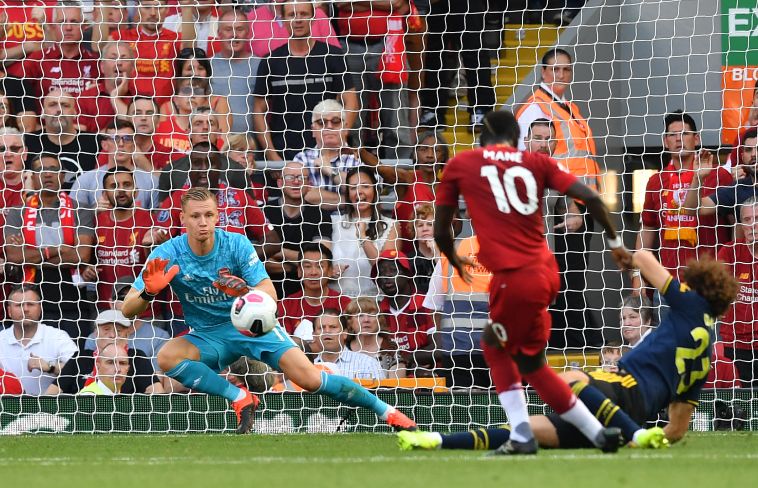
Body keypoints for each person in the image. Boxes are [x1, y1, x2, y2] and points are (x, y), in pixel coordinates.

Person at [121, 187, 417, 434]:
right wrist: (148, 291)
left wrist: (244, 292)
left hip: (252, 327)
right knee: (167, 358)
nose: (203, 222)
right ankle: (239, 397)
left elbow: (269, 293)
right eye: (195, 216)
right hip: (208, 336)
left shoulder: (234, 244)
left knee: (311, 380)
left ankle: (388, 412)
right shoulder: (167, 253)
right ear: (183, 218)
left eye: (209, 215)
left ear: (217, 216)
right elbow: (127, 309)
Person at [399, 251, 737, 451]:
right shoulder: (706, 355)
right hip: (628, 411)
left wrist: (629, 256)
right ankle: (436, 441)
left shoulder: (690, 302)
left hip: (623, 385)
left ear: (700, 288)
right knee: (527, 430)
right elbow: (677, 430)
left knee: (566, 381)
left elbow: (647, 258)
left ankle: (633, 433)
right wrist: (648, 438)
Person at [434, 110, 631, 454]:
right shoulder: (536, 163)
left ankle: (522, 435)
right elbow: (595, 198)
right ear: (517, 138)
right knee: (531, 363)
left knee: (493, 346)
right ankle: (598, 433)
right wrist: (615, 245)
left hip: (515, 276)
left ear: (482, 136)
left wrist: (454, 259)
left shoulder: (462, 164)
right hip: (546, 271)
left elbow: (441, 228)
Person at [516, 56, 603, 348]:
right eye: (556, 68)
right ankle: (569, 340)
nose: (562, 74)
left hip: (577, 204)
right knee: (562, 278)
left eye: (567, 68)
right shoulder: (535, 109)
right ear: (543, 72)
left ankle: (575, 338)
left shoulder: (570, 108)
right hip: (557, 210)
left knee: (573, 277)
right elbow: (527, 157)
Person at [634, 111, 733, 288]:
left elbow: (736, 225)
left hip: (711, 282)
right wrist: (637, 275)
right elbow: (647, 228)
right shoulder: (656, 181)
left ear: (696, 139)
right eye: (672, 135)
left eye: (684, 133)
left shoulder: (719, 175)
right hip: (668, 283)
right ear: (665, 142)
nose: (678, 139)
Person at [4, 154, 96, 341]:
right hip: (30, 304)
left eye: (54, 170)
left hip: (73, 303)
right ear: (33, 177)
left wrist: (31, 255)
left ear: (62, 176)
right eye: (41, 170)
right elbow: (13, 256)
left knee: (73, 361)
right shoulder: (16, 212)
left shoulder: (82, 209)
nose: (48, 175)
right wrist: (56, 250)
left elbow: (82, 255)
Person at [253, 0, 358, 161]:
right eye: (292, 15)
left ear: (313, 18)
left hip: (327, 154)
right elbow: (259, 111)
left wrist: (340, 138)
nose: (298, 19)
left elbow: (351, 102)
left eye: (304, 14)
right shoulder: (270, 61)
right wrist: (273, 156)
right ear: (284, 19)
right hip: (285, 155)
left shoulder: (333, 56)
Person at [5, 2, 100, 133]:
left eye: (74, 22)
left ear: (84, 26)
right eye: (61, 22)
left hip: (86, 136)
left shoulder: (96, 63)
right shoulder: (36, 60)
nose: (68, 27)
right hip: (44, 138)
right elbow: (15, 96)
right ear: (53, 26)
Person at [81, 166, 156, 309]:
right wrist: (86, 271)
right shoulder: (95, 222)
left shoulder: (150, 221)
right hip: (106, 309)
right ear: (104, 194)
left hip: (145, 311)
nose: (121, 189)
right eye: (114, 186)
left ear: (136, 191)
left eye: (126, 185)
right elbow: (85, 262)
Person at [423, 234, 491, 389]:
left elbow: (434, 305)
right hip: (503, 348)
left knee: (466, 408)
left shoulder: (454, 248)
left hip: (459, 351)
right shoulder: (518, 248)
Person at [47, 308, 163, 395]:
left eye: (118, 331)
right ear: (96, 334)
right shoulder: (81, 358)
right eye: (106, 330)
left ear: (127, 335)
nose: (112, 335)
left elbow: (157, 392)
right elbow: (51, 393)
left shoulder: (136, 357)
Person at [331, 167, 399, 298]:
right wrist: (329, 271)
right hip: (337, 303)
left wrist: (362, 238)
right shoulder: (333, 222)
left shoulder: (391, 225)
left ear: (375, 190)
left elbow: (385, 270)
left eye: (365, 186)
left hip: (373, 305)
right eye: (353, 188)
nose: (359, 192)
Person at [0, 285, 78, 396]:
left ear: (40, 308)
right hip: (7, 408)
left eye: (30, 304)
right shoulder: (1, 339)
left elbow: (78, 369)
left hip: (51, 409)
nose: (25, 309)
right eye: (19, 305)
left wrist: (49, 367)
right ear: (9, 311)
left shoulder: (57, 336)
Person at [108, 0, 188, 105]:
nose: (153, 13)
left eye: (159, 7)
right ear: (138, 9)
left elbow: (190, 48)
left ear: (167, 10)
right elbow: (97, 47)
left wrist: (187, 8)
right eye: (147, 7)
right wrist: (104, 6)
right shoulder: (121, 37)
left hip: (165, 112)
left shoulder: (176, 39)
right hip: (128, 110)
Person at [71, 119, 159, 211]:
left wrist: (141, 215)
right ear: (104, 145)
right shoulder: (85, 180)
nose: (121, 144)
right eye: (115, 139)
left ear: (134, 145)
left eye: (127, 138)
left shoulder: (151, 181)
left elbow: (159, 220)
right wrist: (93, 210)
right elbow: (73, 218)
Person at [717, 197, 758, 387]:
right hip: (735, 344)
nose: (752, 225)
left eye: (756, 218)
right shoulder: (729, 252)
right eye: (747, 220)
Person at [24, 89, 101, 188]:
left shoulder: (95, 142)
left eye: (65, 105)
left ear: (74, 113)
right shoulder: (28, 141)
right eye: (52, 105)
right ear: (43, 112)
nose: (59, 110)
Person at [294, 99, 361, 212]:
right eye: (321, 122)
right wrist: (351, 201)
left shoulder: (359, 157)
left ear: (345, 128)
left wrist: (331, 171)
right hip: (314, 226)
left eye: (335, 121)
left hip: (353, 225)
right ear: (313, 130)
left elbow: (362, 191)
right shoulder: (301, 159)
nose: (329, 126)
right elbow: (305, 194)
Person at [376, 250, 435, 375]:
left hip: (428, 379)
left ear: (408, 274)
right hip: (389, 378)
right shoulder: (377, 312)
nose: (387, 276)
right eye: (381, 273)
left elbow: (438, 348)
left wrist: (406, 359)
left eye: (393, 270)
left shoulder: (426, 304)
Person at [683, 127, 758, 226]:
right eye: (748, 150)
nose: (754, 154)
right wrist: (698, 178)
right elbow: (691, 210)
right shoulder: (738, 189)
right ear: (743, 157)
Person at [276, 243, 349, 339]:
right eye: (307, 266)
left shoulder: (344, 303)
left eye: (319, 266)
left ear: (330, 271)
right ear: (299, 271)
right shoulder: (286, 305)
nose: (313, 272)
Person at [210, 9, 261, 135]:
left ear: (247, 32)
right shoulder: (207, 65)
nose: (234, 35)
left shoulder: (260, 65)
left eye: (239, 29)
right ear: (219, 33)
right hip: (218, 146)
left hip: (251, 146)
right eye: (228, 29)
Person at [77, 41, 138, 134]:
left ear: (133, 69)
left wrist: (115, 98)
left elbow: (138, 131)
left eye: (124, 59)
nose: (119, 63)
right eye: (113, 58)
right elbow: (79, 138)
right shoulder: (86, 98)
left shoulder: (140, 98)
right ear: (102, 67)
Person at [310, 310, 386, 380]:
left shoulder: (368, 364)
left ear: (345, 333)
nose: (327, 331)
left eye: (333, 327)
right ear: (314, 336)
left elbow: (381, 394)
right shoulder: (308, 367)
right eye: (321, 328)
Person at [343, 297, 406, 379]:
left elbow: (396, 389)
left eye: (371, 314)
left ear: (379, 320)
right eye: (360, 315)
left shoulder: (391, 351)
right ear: (349, 322)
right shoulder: (343, 349)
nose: (366, 320)